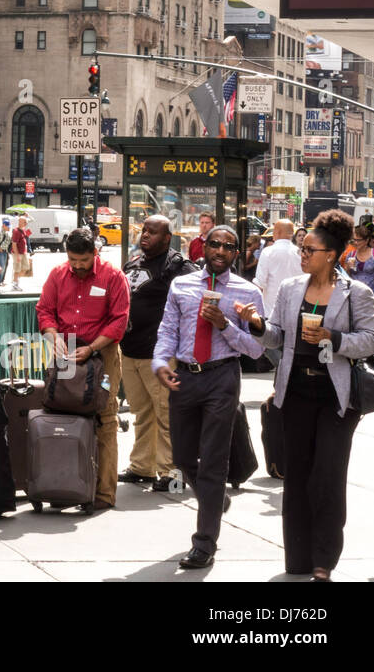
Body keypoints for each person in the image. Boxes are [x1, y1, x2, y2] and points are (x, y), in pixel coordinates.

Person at [239, 209, 374, 581]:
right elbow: (278, 337)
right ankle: (298, 557)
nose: (302, 254)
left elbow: (371, 341)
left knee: (327, 477)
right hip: (296, 391)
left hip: (335, 397)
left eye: (309, 250)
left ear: (331, 254)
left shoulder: (356, 293)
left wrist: (335, 339)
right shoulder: (290, 289)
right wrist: (256, 325)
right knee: (297, 475)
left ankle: (324, 561)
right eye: (302, 248)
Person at [152, 225, 266, 569]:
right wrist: (160, 362)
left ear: (236, 253)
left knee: (214, 463)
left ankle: (204, 544)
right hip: (185, 377)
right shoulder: (181, 285)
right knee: (184, 456)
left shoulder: (248, 292)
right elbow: (168, 329)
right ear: (204, 248)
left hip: (222, 377)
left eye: (228, 246)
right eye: (214, 244)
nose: (219, 250)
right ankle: (214, 500)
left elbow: (258, 349)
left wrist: (225, 326)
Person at [35, 227, 131, 511]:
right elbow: (45, 310)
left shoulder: (113, 276)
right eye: (72, 260)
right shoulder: (57, 274)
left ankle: (103, 493)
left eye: (83, 261)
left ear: (94, 254)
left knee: (105, 418)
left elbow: (119, 320)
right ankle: (63, 486)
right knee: (61, 416)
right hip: (66, 351)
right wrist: (53, 336)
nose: (77, 266)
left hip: (102, 353)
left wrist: (91, 349)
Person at [119, 216, 195, 491]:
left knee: (166, 414)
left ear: (167, 238)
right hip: (130, 350)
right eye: (144, 230)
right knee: (142, 412)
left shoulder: (179, 266)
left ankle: (171, 473)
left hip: (160, 355)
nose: (146, 235)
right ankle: (143, 466)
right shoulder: (132, 263)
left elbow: (193, 303)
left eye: (153, 232)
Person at [255, 219, 302, 327]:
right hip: (294, 312)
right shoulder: (300, 253)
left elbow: (260, 283)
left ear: (278, 232)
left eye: (274, 231)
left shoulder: (268, 252)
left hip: (271, 312)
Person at [342, 220, 374, 294]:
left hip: (372, 295)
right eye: (354, 240)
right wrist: (347, 268)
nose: (355, 243)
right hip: (354, 295)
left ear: (366, 240)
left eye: (358, 240)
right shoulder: (351, 255)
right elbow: (346, 277)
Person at [10, 215, 32, 291]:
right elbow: (14, 244)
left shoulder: (23, 229)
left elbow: (26, 237)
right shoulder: (16, 231)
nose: (26, 223)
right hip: (18, 253)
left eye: (26, 222)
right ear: (20, 222)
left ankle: (15, 281)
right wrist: (17, 255)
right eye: (24, 222)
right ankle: (15, 284)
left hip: (23, 252)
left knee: (26, 268)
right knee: (17, 269)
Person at [0, 219, 13, 289]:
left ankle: (1, 280)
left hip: (6, 251)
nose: (9, 228)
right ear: (4, 226)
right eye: (8, 226)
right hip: (1, 252)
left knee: (4, 267)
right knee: (1, 266)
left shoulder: (8, 233)